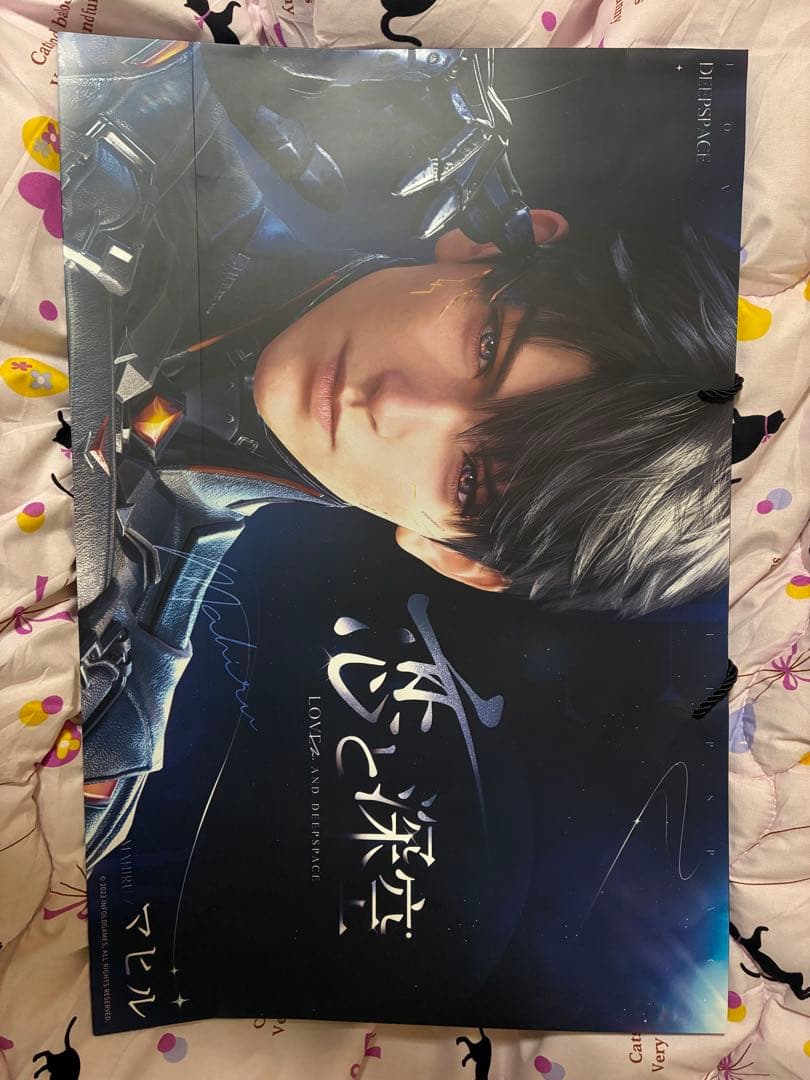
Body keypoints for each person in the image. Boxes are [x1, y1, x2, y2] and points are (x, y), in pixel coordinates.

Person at [60, 40, 738, 870]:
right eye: (485, 347)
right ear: (494, 247)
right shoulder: (161, 88)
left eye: (468, 478)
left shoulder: (110, 708)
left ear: (457, 561)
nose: (393, 404)